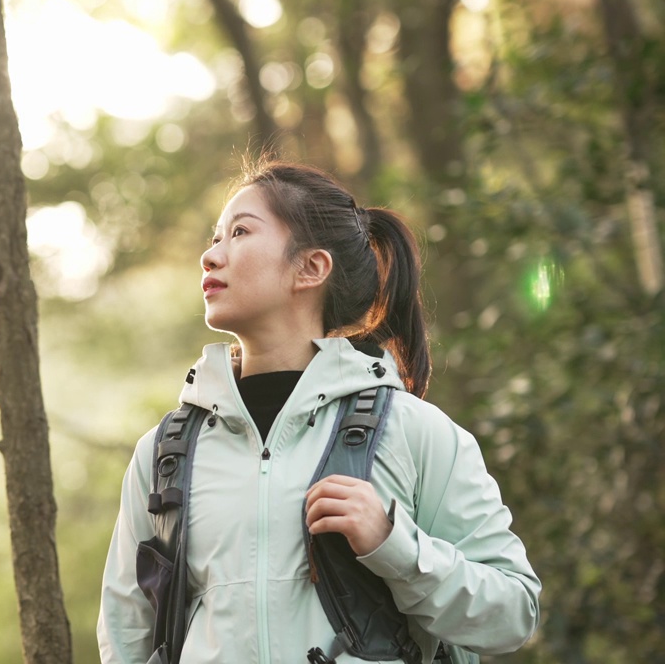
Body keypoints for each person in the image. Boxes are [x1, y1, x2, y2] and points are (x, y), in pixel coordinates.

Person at [96, 161, 541, 664]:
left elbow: (513, 614)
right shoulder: (162, 454)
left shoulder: (416, 432)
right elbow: (126, 639)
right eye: (214, 237)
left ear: (311, 268)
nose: (209, 255)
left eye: (239, 232)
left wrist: (393, 544)